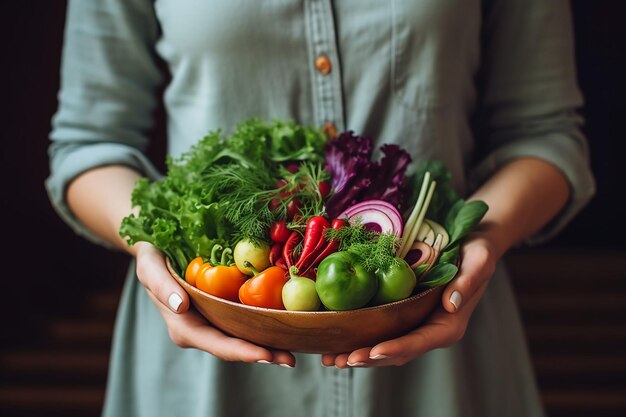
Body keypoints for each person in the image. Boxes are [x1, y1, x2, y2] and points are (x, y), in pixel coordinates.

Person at [46, 1, 596, 416]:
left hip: (441, 339)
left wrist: (483, 239)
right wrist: (150, 246)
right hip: (205, 346)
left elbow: (546, 137)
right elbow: (88, 145)